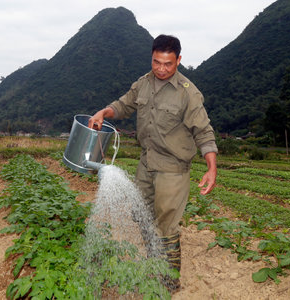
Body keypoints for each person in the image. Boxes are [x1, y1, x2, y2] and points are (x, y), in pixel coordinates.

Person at [88, 34, 217, 292]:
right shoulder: (143, 84)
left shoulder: (188, 94)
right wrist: (104, 111)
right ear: (152, 57)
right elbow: (123, 105)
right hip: (146, 162)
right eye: (156, 62)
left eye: (167, 64)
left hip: (173, 166)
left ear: (178, 60)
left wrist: (211, 167)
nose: (161, 68)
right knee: (142, 214)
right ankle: (153, 262)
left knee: (166, 223)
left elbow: (204, 132)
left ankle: (169, 282)